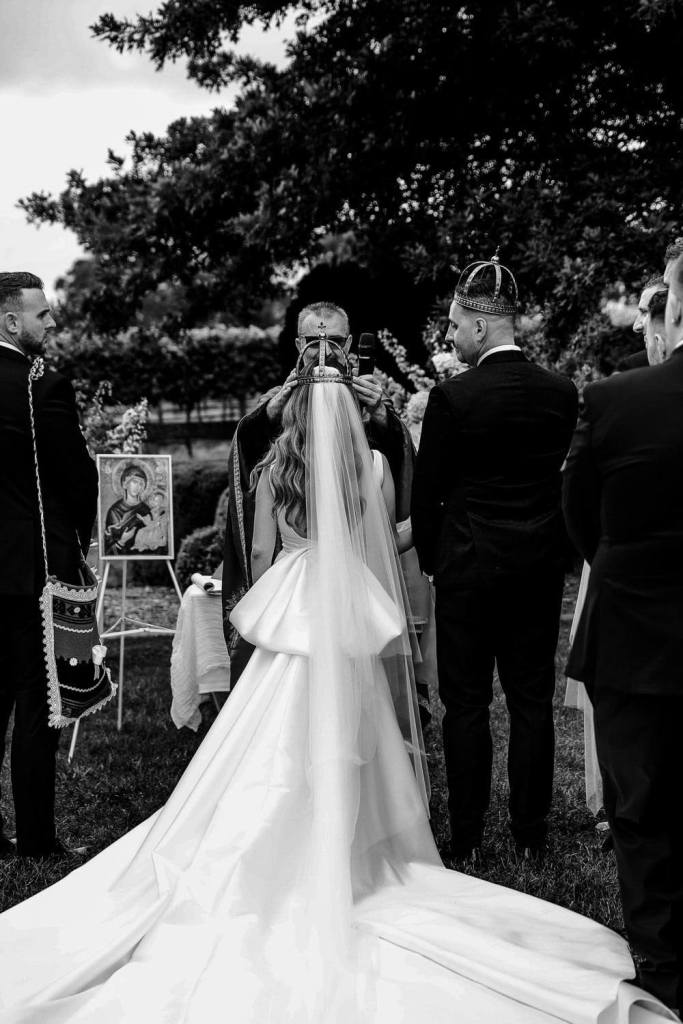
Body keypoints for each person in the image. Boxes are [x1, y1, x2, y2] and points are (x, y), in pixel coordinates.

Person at [0, 335, 671, 1024]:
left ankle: (274, 835)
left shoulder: (274, 468)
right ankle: (356, 840)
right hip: (346, 600)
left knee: (271, 726)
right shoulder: (371, 466)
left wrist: (267, 592)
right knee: (354, 724)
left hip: (295, 599)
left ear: (293, 406)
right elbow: (383, 541)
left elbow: (261, 551)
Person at [412, 253, 578, 863]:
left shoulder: (452, 397)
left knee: (467, 703)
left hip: (468, 571)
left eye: (456, 326)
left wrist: (434, 562)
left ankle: (468, 836)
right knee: (532, 702)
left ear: (481, 327)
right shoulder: (561, 393)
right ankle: (531, 835)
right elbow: (561, 483)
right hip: (536, 570)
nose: (451, 337)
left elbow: (426, 496)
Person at [563, 252, 683, 1013]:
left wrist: (626, 570)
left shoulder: (613, 399)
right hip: (634, 630)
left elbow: (579, 514)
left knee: (640, 809)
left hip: (633, 633)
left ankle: (665, 972)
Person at [221, 301, 416, 686]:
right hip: (296, 570)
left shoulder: (369, 399)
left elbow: (397, 467)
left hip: (356, 569)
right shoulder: (278, 400)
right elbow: (250, 464)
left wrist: (382, 416)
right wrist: (268, 415)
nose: (323, 349)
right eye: (313, 339)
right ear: (298, 343)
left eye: (336, 340)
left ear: (349, 343)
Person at [0, 271, 98, 859]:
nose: (52, 321)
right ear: (12, 320)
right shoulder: (45, 386)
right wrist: (76, 545)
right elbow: (77, 478)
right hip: (32, 573)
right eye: (42, 314)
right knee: (38, 703)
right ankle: (36, 840)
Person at [103, 464, 151, 555]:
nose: (137, 486)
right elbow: (108, 549)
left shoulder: (146, 510)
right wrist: (122, 541)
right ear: (125, 484)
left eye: (141, 484)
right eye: (134, 482)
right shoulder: (114, 511)